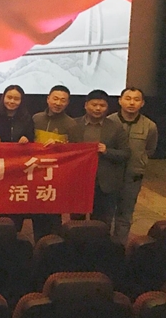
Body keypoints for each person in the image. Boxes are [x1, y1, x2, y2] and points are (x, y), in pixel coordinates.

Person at [70, 89, 130, 226]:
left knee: (101, 223)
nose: (98, 108)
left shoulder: (116, 127)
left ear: (107, 107)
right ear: (86, 105)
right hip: (79, 181)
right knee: (76, 221)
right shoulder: (73, 125)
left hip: (104, 184)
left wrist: (106, 151)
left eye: (102, 105)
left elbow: (126, 153)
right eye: (94, 104)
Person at [108, 87, 158, 243]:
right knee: (106, 214)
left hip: (132, 177)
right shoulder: (109, 122)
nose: (131, 103)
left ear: (142, 103)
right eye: (128, 98)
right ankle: (104, 246)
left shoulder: (149, 126)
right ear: (120, 101)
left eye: (136, 100)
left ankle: (119, 247)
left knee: (125, 214)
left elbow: (150, 150)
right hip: (109, 175)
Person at [30, 85, 77, 241]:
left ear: (67, 103)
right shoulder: (36, 119)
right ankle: (38, 244)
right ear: (48, 99)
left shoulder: (71, 124)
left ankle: (53, 246)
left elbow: (76, 151)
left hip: (57, 176)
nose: (58, 103)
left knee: (54, 214)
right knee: (37, 212)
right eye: (55, 98)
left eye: (63, 100)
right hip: (35, 172)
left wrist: (62, 146)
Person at [0, 85, 35, 232]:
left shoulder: (27, 119)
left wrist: (27, 140)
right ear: (3, 98)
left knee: (14, 201)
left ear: (21, 101)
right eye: (9, 97)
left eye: (16, 99)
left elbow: (32, 139)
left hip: (17, 169)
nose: (12, 101)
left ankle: (16, 232)